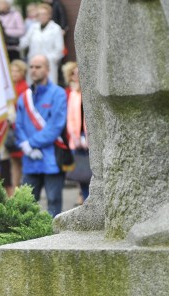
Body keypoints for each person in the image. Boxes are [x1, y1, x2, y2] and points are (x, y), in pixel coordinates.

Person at [15, 55, 67, 217]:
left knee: (53, 202)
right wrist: (25, 146)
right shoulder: (24, 97)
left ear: (48, 69)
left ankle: (52, 239)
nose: (33, 70)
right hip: (30, 160)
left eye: (38, 67)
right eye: (31, 67)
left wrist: (31, 143)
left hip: (52, 159)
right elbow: (18, 124)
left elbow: (56, 125)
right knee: (27, 203)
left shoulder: (58, 93)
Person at [62, 61, 91, 203]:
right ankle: (85, 200)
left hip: (89, 137)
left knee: (92, 172)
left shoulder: (89, 94)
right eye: (74, 74)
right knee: (81, 174)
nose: (77, 76)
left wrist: (89, 137)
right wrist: (75, 137)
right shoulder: (73, 94)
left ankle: (91, 199)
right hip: (77, 138)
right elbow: (71, 118)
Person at [20, 2, 64, 86]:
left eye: (44, 14)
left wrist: (48, 60)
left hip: (48, 65)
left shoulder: (55, 28)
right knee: (33, 88)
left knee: (48, 88)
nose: (42, 16)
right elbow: (24, 42)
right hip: (33, 64)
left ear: (49, 15)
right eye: (39, 14)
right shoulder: (33, 27)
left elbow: (59, 50)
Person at [4, 59, 29, 197]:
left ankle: (22, 188)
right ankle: (14, 188)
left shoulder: (24, 88)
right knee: (13, 161)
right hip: (10, 128)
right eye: (12, 71)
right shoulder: (9, 88)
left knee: (22, 160)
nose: (13, 73)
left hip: (20, 128)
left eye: (16, 71)